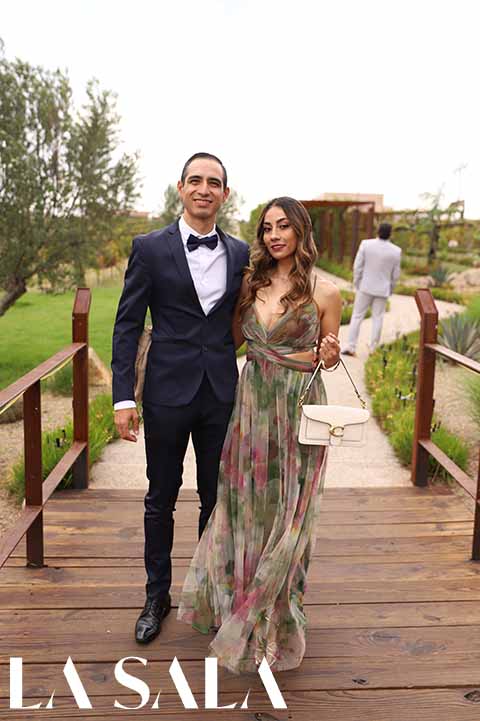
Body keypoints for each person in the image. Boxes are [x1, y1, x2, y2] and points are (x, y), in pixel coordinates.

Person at [177, 197, 342, 673]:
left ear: (301, 232)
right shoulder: (250, 283)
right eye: (268, 227)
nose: (274, 235)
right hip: (251, 407)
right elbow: (229, 342)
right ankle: (240, 606)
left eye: (284, 226)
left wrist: (330, 353)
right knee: (247, 507)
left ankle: (274, 619)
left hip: (299, 408)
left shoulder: (327, 292)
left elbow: (330, 359)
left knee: (291, 514)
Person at [111, 152, 250, 644]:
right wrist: (123, 399)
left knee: (216, 499)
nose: (203, 189)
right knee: (160, 497)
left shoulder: (241, 253)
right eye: (195, 180)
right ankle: (157, 596)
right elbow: (127, 324)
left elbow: (265, 309)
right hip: (166, 392)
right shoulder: (149, 248)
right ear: (181, 187)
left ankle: (208, 593)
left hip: (220, 393)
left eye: (213, 182)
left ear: (225, 194)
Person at [342, 222, 401, 356]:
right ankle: (373, 348)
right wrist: (391, 289)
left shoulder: (366, 244)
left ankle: (351, 346)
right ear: (390, 234)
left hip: (365, 286)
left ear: (378, 231)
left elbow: (357, 266)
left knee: (357, 316)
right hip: (383, 290)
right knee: (378, 318)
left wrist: (357, 283)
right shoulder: (396, 251)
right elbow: (395, 274)